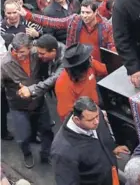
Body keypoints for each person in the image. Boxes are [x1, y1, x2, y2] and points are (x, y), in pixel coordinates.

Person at [1, 33, 54, 168]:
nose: (19, 55)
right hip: (18, 105)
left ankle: (45, 154)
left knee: (47, 129)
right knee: (23, 136)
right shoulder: (4, 64)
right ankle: (27, 153)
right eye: (15, 51)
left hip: (38, 101)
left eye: (22, 52)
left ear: (30, 48)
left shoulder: (37, 54)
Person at [51, 96, 130, 185]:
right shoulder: (63, 151)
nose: (96, 122)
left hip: (111, 177)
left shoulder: (94, 114)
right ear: (77, 120)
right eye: (91, 120)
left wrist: (111, 148)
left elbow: (103, 136)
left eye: (97, 116)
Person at [18, 0, 115, 63]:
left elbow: (112, 49)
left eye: (88, 13)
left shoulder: (106, 27)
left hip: (100, 67)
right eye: (82, 12)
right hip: (77, 63)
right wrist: (29, 16)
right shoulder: (74, 20)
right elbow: (52, 22)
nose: (84, 15)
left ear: (96, 12)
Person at [54, 44, 107, 121]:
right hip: (85, 119)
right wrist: (95, 117)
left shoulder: (91, 64)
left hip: (97, 107)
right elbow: (67, 116)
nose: (91, 57)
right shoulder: (62, 85)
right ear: (82, 67)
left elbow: (106, 70)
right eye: (89, 58)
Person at [16, 34, 65, 99]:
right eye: (38, 52)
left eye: (42, 54)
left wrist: (31, 90)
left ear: (53, 51)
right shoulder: (43, 45)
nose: (39, 56)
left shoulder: (65, 59)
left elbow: (54, 78)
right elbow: (28, 44)